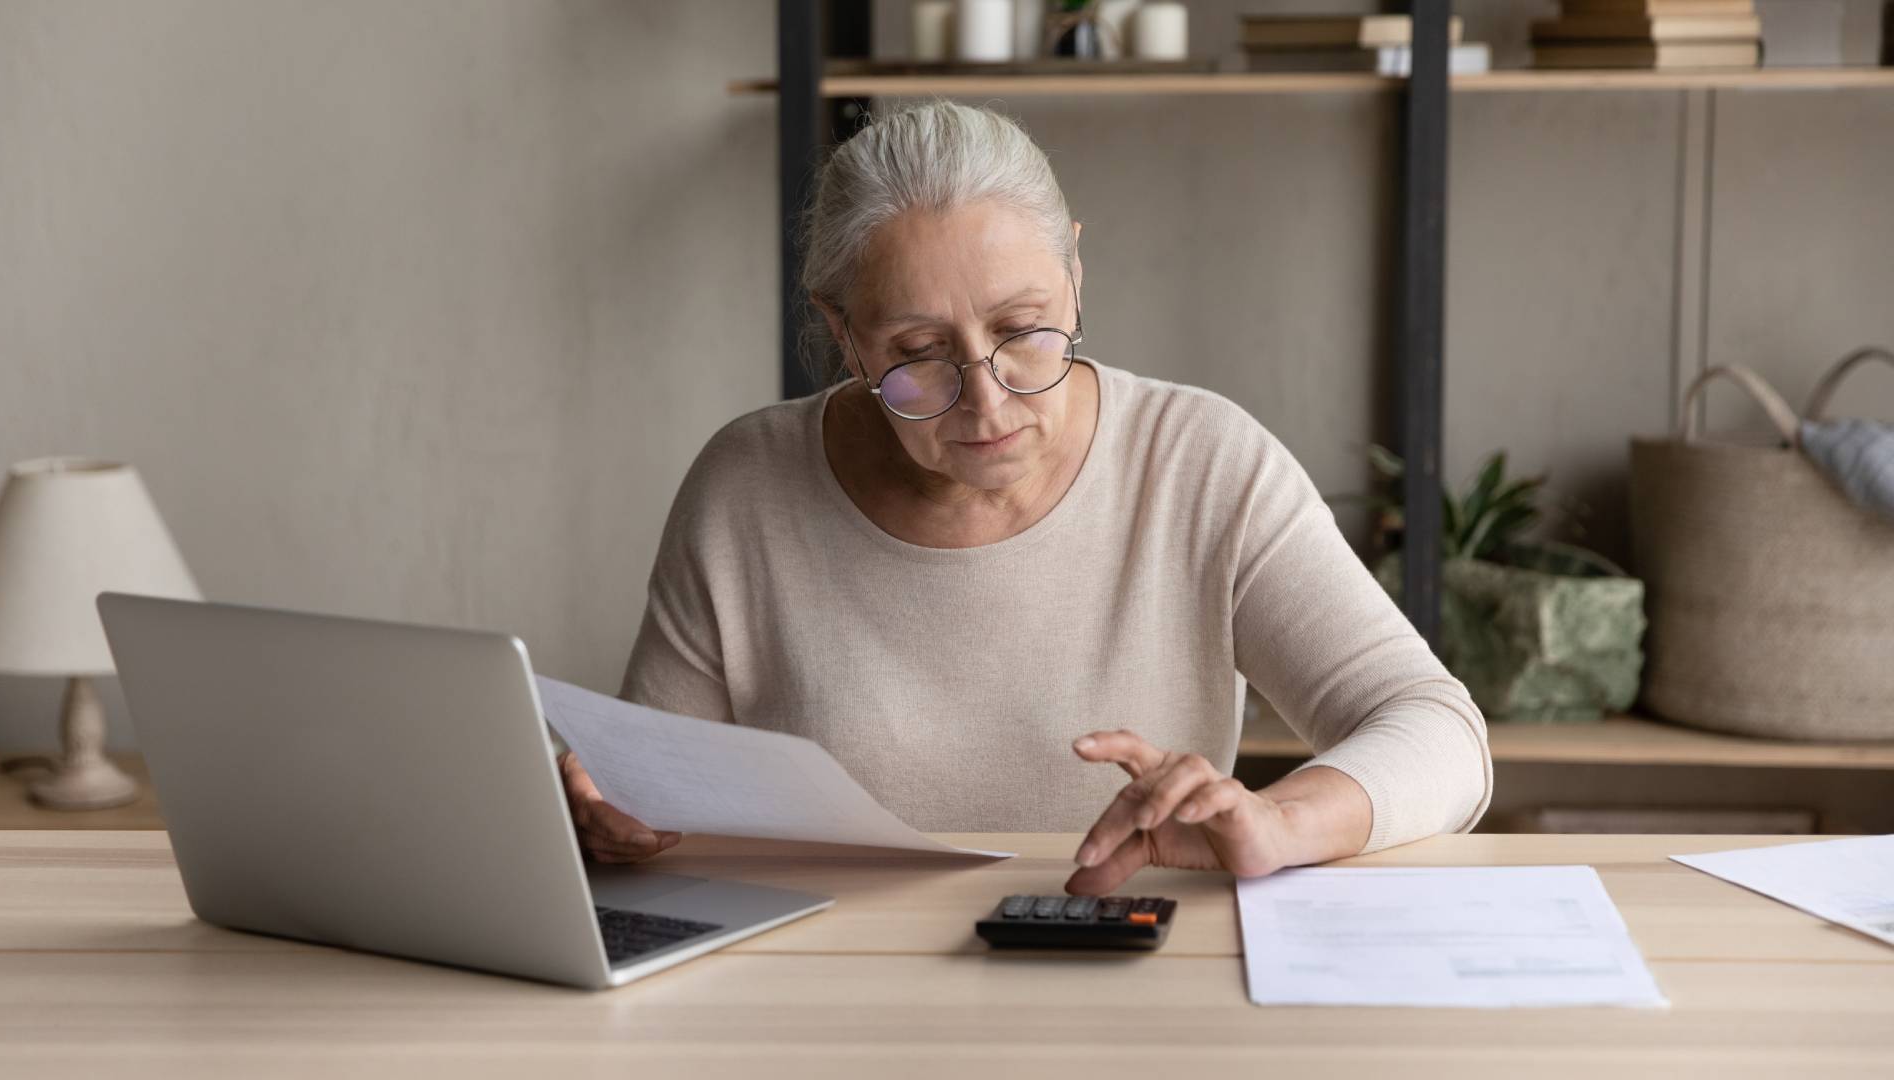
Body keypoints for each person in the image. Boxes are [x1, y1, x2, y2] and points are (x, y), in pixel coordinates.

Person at [560, 101, 1490, 895]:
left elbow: (1438, 732)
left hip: (1128, 977)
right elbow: (648, 802)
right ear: (846, 337)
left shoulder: (1202, 464)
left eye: (1024, 330)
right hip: (832, 993)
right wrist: (606, 820)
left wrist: (1279, 823)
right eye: (919, 356)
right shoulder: (747, 487)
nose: (988, 398)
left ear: (1075, 278)